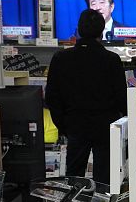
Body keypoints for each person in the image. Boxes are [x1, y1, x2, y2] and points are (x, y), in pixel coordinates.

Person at [45, 9, 127, 186]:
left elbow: (52, 96)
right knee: (104, 179)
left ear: (79, 30)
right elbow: (122, 97)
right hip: (105, 127)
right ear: (102, 31)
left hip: (75, 125)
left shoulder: (61, 58)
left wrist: (64, 125)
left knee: (74, 177)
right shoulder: (111, 59)